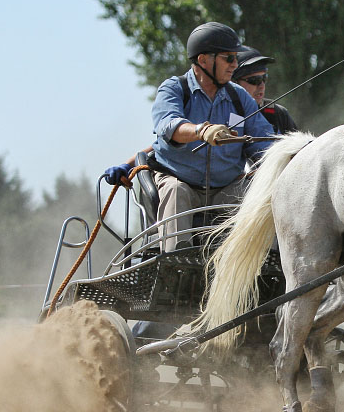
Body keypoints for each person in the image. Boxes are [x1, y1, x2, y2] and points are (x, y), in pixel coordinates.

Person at [105, 22, 277, 251]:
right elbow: (169, 126)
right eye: (228, 58)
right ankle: (176, 265)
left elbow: (266, 142)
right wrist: (201, 131)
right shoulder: (174, 89)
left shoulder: (240, 98)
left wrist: (297, 151)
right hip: (179, 179)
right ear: (203, 60)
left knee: (262, 196)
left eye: (235, 58)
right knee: (177, 193)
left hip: (225, 187)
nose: (235, 65)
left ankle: (266, 267)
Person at [232, 45, 299, 134]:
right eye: (254, 80)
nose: (262, 86)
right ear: (234, 83)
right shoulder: (223, 111)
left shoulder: (278, 113)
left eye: (264, 78)